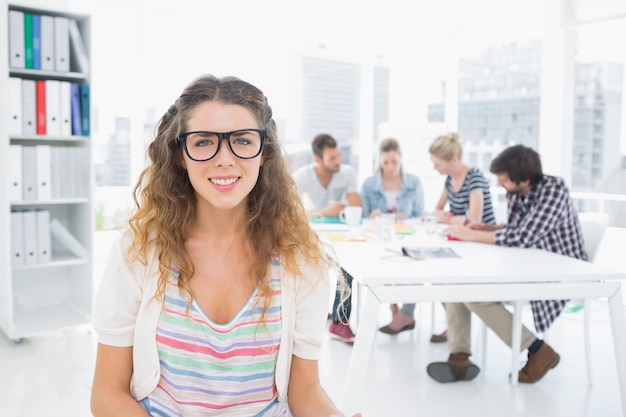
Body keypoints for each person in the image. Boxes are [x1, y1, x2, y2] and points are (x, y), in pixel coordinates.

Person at [90, 75, 361, 417]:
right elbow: (107, 391)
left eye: (242, 141)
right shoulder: (138, 249)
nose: (224, 159)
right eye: (203, 142)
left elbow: (304, 390)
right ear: (179, 155)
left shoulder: (299, 257)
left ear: (264, 153)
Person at [426, 144, 587, 384]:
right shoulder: (516, 192)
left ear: (523, 178)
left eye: (503, 178)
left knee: (475, 296)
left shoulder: (554, 189)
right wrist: (487, 228)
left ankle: (538, 350)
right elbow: (515, 231)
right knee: (457, 282)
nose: (499, 183)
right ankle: (459, 357)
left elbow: (522, 237)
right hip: (526, 264)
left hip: (559, 269)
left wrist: (470, 235)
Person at [292, 133, 361, 344]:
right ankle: (316, 316)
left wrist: (337, 212)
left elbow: (356, 209)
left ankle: (340, 322)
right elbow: (291, 214)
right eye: (332, 158)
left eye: (338, 155)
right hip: (314, 235)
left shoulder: (347, 173)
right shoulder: (302, 176)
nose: (338, 161)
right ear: (318, 160)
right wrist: (325, 211)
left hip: (341, 234)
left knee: (345, 266)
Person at [359, 138, 425, 335]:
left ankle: (405, 312)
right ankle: (394, 307)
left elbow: (421, 215)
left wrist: (406, 218)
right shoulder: (369, 184)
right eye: (385, 162)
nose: (389, 167)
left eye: (394, 162)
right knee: (384, 261)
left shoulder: (414, 182)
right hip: (380, 239)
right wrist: (372, 216)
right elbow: (363, 216)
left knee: (417, 264)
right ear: (380, 161)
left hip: (407, 237)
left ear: (401, 160)